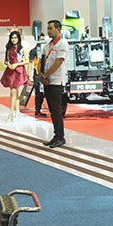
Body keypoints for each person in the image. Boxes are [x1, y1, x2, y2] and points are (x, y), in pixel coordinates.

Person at [38, 20, 69, 148]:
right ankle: (56, 136)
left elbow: (58, 63)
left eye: (50, 28)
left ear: (58, 29)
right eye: (48, 28)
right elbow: (41, 61)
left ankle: (60, 137)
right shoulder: (47, 45)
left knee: (56, 110)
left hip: (56, 81)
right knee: (52, 110)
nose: (48, 31)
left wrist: (45, 75)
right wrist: (41, 75)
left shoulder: (63, 44)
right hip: (47, 82)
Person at [0, 30, 30, 121]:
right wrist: (9, 65)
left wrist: (16, 64)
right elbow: (5, 60)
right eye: (12, 38)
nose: (14, 39)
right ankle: (17, 112)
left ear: (18, 38)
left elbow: (27, 61)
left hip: (18, 71)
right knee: (14, 92)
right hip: (10, 71)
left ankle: (10, 114)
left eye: (15, 38)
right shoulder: (8, 48)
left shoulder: (22, 49)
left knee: (13, 91)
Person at [28, 46, 46, 117]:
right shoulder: (34, 51)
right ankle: (37, 111)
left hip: (45, 73)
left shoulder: (46, 49)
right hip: (37, 74)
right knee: (39, 93)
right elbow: (30, 63)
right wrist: (29, 75)